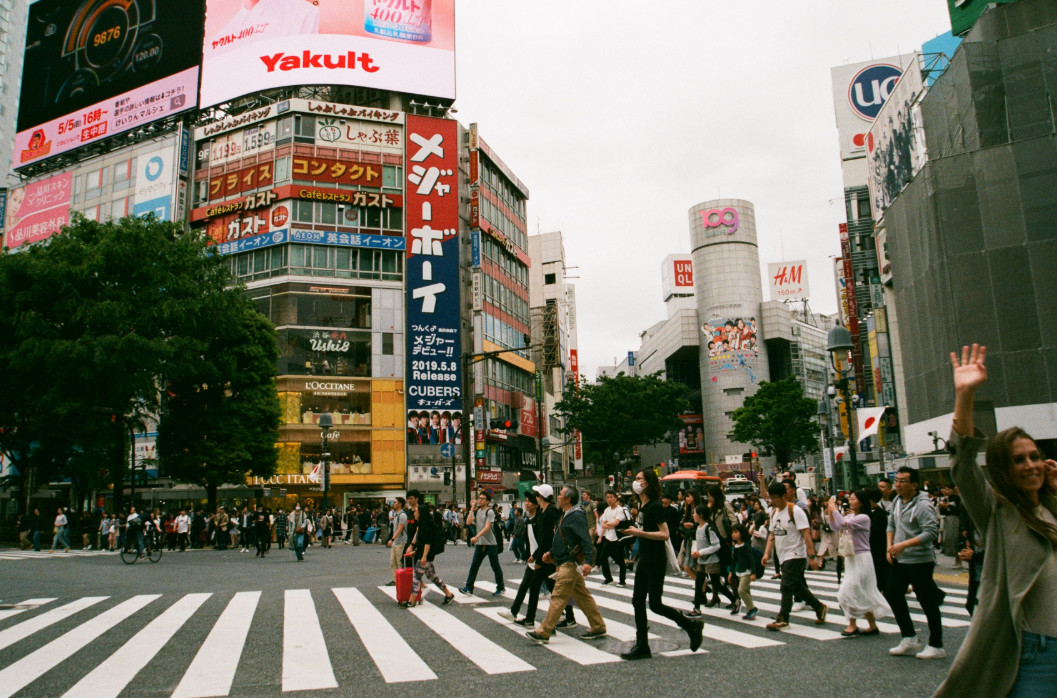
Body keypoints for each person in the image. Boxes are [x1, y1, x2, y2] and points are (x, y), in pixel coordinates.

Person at [934, 344, 1057, 697]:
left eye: (1035, 456)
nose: (1030, 465)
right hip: (1037, 652)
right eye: (1019, 460)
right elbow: (963, 465)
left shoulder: (1051, 507)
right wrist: (965, 394)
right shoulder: (999, 513)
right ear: (1003, 469)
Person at [620, 469, 704, 659]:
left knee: (655, 604)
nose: (635, 482)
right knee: (637, 600)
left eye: (639, 479)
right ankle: (642, 644)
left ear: (648, 483)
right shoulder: (642, 506)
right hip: (644, 558)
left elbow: (664, 534)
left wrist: (639, 533)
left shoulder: (655, 506)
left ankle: (691, 625)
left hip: (655, 560)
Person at [526, 486, 607, 645]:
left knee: (558, 597)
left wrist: (589, 562)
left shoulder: (576, 515)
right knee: (583, 597)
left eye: (561, 494)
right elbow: (563, 538)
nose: (558, 497)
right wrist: (551, 552)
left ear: (568, 499)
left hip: (569, 564)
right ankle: (598, 625)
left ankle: (544, 631)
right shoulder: (567, 514)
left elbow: (585, 540)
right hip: (564, 561)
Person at [883, 465, 945, 659]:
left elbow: (931, 532)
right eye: (896, 481)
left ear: (914, 485)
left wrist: (904, 545)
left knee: (926, 600)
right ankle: (909, 637)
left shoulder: (923, 505)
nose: (898, 485)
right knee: (892, 593)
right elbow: (891, 524)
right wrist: (890, 546)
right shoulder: (897, 501)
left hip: (920, 560)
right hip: (901, 559)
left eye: (903, 481)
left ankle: (936, 645)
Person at [499, 486, 577, 629]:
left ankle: (545, 624)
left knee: (553, 589)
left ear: (540, 497)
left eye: (535, 497)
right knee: (551, 588)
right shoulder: (544, 512)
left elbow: (547, 539)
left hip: (548, 557)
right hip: (544, 556)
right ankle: (563, 618)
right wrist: (534, 555)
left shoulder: (549, 512)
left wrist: (538, 558)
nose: (530, 501)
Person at [761, 481, 827, 631]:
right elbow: (772, 534)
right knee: (797, 587)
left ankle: (783, 618)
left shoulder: (795, 511)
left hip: (796, 554)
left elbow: (806, 533)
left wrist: (811, 557)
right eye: (771, 498)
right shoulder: (774, 512)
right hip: (783, 554)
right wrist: (766, 553)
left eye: (776, 498)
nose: (773, 501)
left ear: (784, 496)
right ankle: (819, 607)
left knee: (785, 586)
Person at [826, 492, 889, 636]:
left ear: (861, 502)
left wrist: (834, 508)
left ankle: (852, 624)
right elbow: (836, 527)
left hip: (862, 557)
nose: (850, 501)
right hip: (851, 557)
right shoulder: (850, 516)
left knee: (848, 590)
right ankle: (871, 625)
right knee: (861, 591)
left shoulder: (864, 518)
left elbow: (842, 523)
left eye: (853, 499)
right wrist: (831, 513)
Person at [404, 501, 456, 607]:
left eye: (416, 512)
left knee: (416, 577)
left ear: (421, 513)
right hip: (425, 555)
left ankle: (411, 601)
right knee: (432, 577)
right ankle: (449, 594)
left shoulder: (426, 526)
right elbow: (422, 542)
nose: (414, 513)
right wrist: (416, 551)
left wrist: (423, 556)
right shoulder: (423, 524)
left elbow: (427, 543)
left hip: (425, 556)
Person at [689, 504, 738, 614]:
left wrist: (700, 552)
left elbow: (716, 545)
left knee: (717, 584)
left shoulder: (709, 528)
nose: (693, 515)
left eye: (695, 513)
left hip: (712, 561)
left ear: (700, 515)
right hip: (701, 560)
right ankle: (696, 609)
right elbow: (699, 543)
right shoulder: (698, 527)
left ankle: (735, 600)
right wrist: (695, 551)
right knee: (699, 583)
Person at [459, 492, 505, 596]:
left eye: (483, 499)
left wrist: (476, 536)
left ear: (488, 501)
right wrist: (471, 508)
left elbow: (487, 527)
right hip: (480, 544)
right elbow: (468, 522)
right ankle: (469, 588)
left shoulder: (490, 512)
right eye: (479, 498)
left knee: (495, 566)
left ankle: (501, 587)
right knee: (474, 566)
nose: (480, 500)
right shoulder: (477, 511)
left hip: (490, 544)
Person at [598, 490, 629, 586]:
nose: (609, 499)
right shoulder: (607, 510)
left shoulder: (619, 509)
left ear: (616, 498)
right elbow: (602, 522)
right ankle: (608, 579)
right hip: (608, 537)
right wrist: (608, 525)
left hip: (617, 539)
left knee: (619, 560)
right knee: (603, 558)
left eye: (611, 497)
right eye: (607, 497)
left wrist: (608, 524)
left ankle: (622, 581)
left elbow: (616, 523)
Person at [728, 524, 759, 620]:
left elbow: (751, 560)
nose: (733, 534)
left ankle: (752, 608)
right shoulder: (737, 546)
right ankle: (751, 611)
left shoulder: (746, 546)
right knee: (746, 591)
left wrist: (753, 573)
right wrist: (731, 572)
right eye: (733, 532)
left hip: (747, 572)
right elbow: (734, 560)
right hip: (739, 572)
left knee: (741, 590)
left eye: (736, 532)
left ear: (742, 533)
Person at [866, 487, 891, 593]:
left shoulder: (879, 514)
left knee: (880, 579)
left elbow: (872, 531)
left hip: (878, 552)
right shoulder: (871, 513)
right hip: (872, 551)